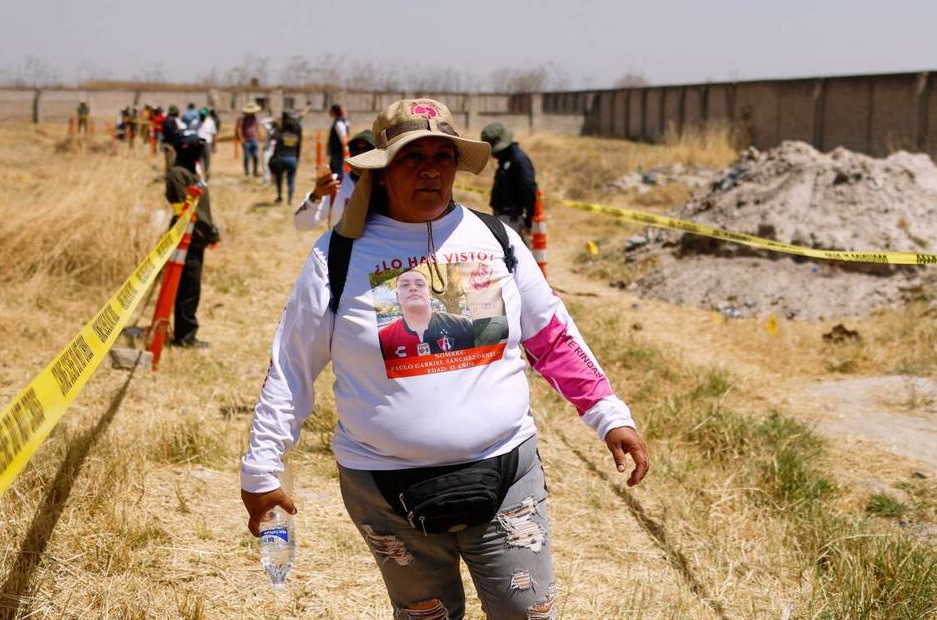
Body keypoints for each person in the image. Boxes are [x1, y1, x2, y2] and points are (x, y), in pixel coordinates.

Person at [241, 98, 649, 619]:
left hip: (506, 473)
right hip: (386, 491)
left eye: (444, 155)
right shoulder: (337, 257)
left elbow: (550, 336)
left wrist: (609, 414)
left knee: (527, 611)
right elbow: (291, 368)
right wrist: (262, 467)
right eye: (413, 156)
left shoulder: (497, 240)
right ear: (384, 169)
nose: (431, 168)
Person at [165, 130, 220, 348]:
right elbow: (186, 212)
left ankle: (185, 333)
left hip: (197, 239)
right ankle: (184, 337)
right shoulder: (178, 174)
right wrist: (204, 231)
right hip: (186, 239)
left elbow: (203, 209)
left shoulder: (193, 172)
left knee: (191, 288)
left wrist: (212, 231)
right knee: (188, 289)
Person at [378, 268, 474, 360]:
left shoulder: (462, 325)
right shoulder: (383, 338)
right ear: (397, 296)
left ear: (430, 293)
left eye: (420, 284)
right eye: (405, 285)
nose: (413, 288)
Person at [292, 130, 374, 230]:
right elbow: (301, 225)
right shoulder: (334, 186)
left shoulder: (388, 188)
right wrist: (316, 196)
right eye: (355, 149)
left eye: (367, 150)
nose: (361, 154)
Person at [480, 123, 538, 244]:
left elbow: (529, 190)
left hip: (512, 218)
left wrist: (529, 220)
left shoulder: (518, 160)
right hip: (503, 217)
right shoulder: (506, 160)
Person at [271, 110, 303, 204]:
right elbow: (298, 150)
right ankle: (289, 200)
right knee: (291, 180)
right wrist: (297, 160)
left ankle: (280, 196)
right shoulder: (296, 137)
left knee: (279, 178)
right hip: (292, 159)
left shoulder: (281, 136)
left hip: (281, 159)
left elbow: (276, 148)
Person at [235, 102, 263, 177]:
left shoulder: (255, 118)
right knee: (247, 157)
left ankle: (255, 171)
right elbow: (239, 129)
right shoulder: (242, 119)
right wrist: (241, 138)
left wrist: (260, 136)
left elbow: (257, 127)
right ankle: (247, 172)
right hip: (246, 140)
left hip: (254, 139)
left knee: (256, 156)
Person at [328, 103, 350, 181]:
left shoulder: (339, 123)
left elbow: (343, 138)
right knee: (332, 172)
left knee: (338, 173)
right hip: (337, 153)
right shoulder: (343, 121)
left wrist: (346, 153)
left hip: (338, 153)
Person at [162, 105, 185, 174]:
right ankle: (170, 177)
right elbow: (174, 132)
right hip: (170, 145)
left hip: (169, 144)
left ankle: (169, 176)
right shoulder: (170, 121)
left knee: (169, 162)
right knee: (171, 162)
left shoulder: (167, 120)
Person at [196, 107, 217, 180]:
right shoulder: (196, 122)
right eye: (201, 115)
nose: (202, 116)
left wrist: (214, 146)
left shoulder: (211, 122)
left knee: (207, 160)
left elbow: (214, 134)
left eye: (204, 115)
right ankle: (200, 177)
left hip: (207, 143)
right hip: (198, 144)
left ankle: (207, 176)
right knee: (199, 160)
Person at [260, 116, 277, 185]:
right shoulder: (269, 129)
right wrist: (272, 119)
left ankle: (274, 181)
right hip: (268, 149)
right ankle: (266, 180)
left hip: (276, 149)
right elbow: (262, 121)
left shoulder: (280, 130)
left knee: (275, 166)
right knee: (266, 164)